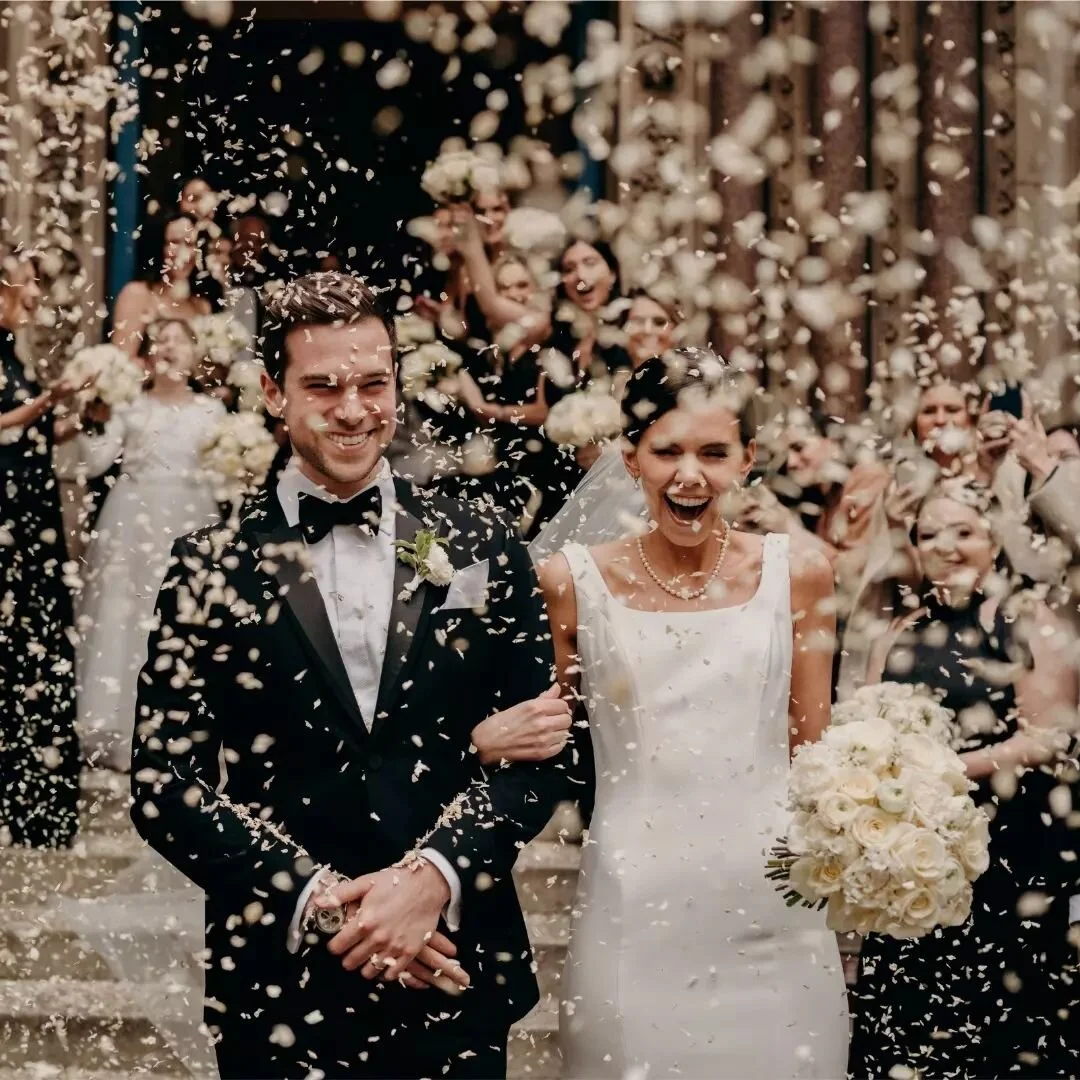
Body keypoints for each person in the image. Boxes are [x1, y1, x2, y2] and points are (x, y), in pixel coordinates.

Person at [129, 271, 578, 1080]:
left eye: (374, 383)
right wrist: (327, 901)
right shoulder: (209, 563)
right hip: (282, 976)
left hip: (454, 960)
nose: (353, 408)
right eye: (324, 385)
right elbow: (165, 785)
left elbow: (545, 755)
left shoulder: (480, 541)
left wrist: (431, 878)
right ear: (273, 392)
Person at [536, 354, 849, 1078]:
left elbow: (816, 754)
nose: (690, 475)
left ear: (749, 459)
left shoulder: (799, 573)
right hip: (632, 912)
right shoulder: (570, 582)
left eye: (714, 452)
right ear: (629, 456)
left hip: (776, 909)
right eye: (667, 450)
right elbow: (545, 742)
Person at [848, 478, 1080, 1078]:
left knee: (1005, 1011)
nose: (945, 546)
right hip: (914, 848)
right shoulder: (899, 630)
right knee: (913, 1011)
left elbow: (1048, 736)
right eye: (929, 534)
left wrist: (948, 770)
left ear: (994, 541)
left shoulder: (1024, 621)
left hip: (1009, 847)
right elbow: (865, 725)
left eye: (963, 532)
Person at [75, 319, 226, 771]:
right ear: (147, 357)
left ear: (196, 356)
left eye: (179, 340)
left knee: (183, 618)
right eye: (160, 341)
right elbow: (96, 460)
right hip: (132, 523)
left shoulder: (211, 412)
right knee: (126, 620)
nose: (169, 347)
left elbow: (224, 477)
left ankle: (181, 731)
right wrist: (94, 417)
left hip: (189, 517)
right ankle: (117, 732)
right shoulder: (130, 406)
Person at [0, 250, 82, 848]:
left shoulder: (12, 354)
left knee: (32, 643)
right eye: (25, 284)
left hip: (26, 514)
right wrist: (50, 398)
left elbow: (22, 428)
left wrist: (75, 416)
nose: (33, 296)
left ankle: (31, 800)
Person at [112, 212, 210, 357]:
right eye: (175, 242)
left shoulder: (201, 306)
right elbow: (121, 362)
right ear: (159, 246)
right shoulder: (137, 294)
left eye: (190, 244)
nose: (184, 253)